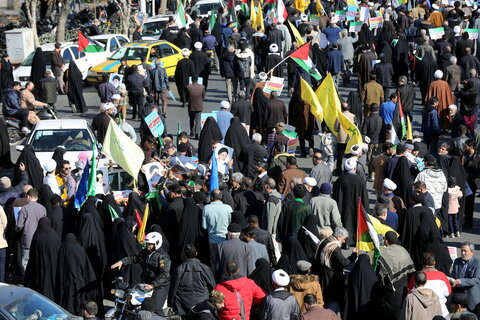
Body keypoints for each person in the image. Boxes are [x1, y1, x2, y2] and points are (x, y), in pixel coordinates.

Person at [111, 232, 171, 316]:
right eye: (147, 244)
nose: (148, 246)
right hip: (146, 282)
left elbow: (164, 275)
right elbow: (134, 258)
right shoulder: (145, 252)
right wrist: (122, 262)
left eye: (150, 244)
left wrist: (152, 285)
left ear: (157, 243)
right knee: (133, 302)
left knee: (155, 308)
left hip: (160, 285)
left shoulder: (163, 257)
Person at [314, 227, 357, 313]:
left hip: (321, 272)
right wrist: (354, 255)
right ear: (339, 236)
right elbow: (344, 262)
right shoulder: (334, 248)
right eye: (344, 239)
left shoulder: (325, 240)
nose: (344, 241)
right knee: (330, 297)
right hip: (330, 276)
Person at [169, 244, 215, 318]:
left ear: (185, 255)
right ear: (196, 253)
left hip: (184, 305)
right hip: (202, 304)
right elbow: (212, 286)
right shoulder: (205, 268)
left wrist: (170, 303)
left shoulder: (179, 269)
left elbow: (173, 288)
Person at [377, 231, 415, 320]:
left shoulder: (383, 253)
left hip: (391, 289)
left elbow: (381, 274)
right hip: (404, 287)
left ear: (386, 241)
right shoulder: (403, 249)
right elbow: (410, 269)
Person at [332, 158, 369, 246]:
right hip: (357, 207)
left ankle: (346, 242)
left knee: (345, 223)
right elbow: (364, 196)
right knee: (356, 223)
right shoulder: (360, 180)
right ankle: (355, 240)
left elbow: (335, 194)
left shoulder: (341, 179)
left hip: (343, 207)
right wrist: (366, 211)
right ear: (355, 168)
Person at [407, 252, 452, 317]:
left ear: (422, 263)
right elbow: (448, 293)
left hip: (422, 313)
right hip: (441, 312)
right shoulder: (442, 276)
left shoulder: (416, 277)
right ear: (434, 263)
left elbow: (410, 293)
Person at [15, 188, 46, 274]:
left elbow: (19, 225)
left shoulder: (25, 208)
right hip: (40, 238)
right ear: (37, 197)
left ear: (28, 196)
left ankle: (25, 280)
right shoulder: (43, 208)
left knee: (26, 261)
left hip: (28, 239)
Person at [450, 242, 480, 316]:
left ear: (472, 252)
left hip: (471, 297)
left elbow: (476, 279)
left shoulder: (477, 263)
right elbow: (453, 274)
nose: (463, 253)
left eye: (465, 251)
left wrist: (461, 281)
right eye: (461, 251)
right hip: (459, 296)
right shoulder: (457, 261)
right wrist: (450, 279)